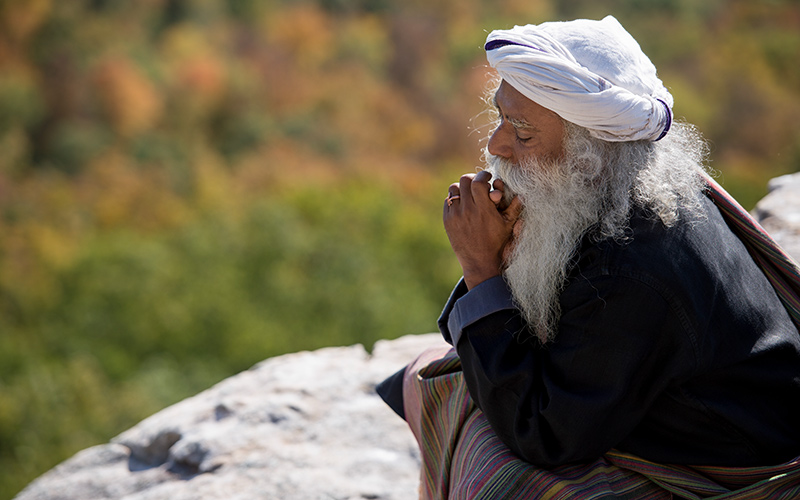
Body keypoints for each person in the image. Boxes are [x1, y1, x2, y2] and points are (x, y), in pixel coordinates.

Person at [378, 15, 800, 498]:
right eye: (500, 117)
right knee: (437, 379)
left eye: (522, 132)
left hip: (721, 459)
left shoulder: (633, 267)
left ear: (589, 154)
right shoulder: (609, 192)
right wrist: (507, 253)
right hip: (628, 407)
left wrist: (482, 268)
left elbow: (544, 434)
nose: (495, 144)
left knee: (496, 481)